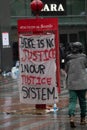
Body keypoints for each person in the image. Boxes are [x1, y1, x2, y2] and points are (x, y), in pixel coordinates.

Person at [65, 42, 87, 128]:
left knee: (72, 101)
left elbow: (66, 69)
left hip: (72, 83)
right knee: (83, 101)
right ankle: (83, 119)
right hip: (82, 82)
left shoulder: (68, 58)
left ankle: (71, 117)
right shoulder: (84, 57)